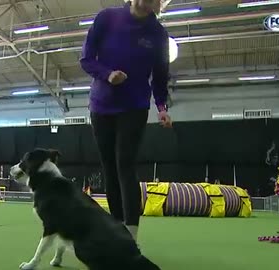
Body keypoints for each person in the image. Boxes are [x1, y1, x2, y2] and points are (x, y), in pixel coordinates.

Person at [80, 0, 172, 242]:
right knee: (109, 167)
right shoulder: (107, 18)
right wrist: (107, 74)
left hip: (135, 106)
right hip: (101, 106)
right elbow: (86, 59)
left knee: (125, 165)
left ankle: (131, 233)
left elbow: (161, 77)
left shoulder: (159, 35)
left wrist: (162, 107)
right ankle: (116, 228)